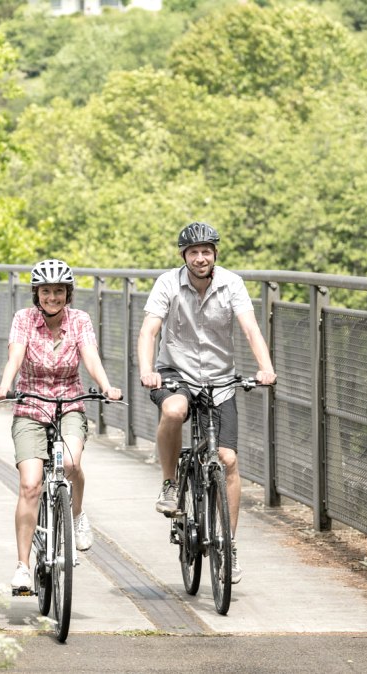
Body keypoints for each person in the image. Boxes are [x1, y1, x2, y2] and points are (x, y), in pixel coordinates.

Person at [137, 222, 275, 585]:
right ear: (184, 256)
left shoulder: (232, 283)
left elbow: (250, 328)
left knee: (227, 459)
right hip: (175, 374)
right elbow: (149, 330)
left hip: (219, 379)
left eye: (207, 251)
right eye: (194, 252)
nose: (201, 258)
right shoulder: (168, 283)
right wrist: (146, 370)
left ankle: (227, 545)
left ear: (215, 254)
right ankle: (170, 485)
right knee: (174, 410)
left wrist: (266, 367)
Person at [0, 259, 122, 594]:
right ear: (37, 293)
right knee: (31, 485)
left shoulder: (80, 320)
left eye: (59, 291)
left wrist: (106, 385)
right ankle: (23, 566)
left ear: (68, 293)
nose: (53, 297)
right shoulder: (24, 319)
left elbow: (90, 356)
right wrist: (5, 384)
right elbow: (16, 355)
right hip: (31, 405)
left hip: (69, 404)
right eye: (46, 291)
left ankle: (76, 516)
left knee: (69, 463)